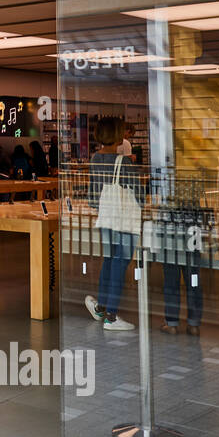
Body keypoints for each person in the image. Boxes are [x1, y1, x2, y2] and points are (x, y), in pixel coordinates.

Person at [84, 117, 141, 331]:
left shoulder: (95, 159)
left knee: (109, 260)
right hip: (124, 220)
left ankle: (102, 306)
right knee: (121, 261)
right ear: (118, 135)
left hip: (106, 218)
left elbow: (92, 197)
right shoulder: (124, 162)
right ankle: (112, 316)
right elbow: (139, 195)